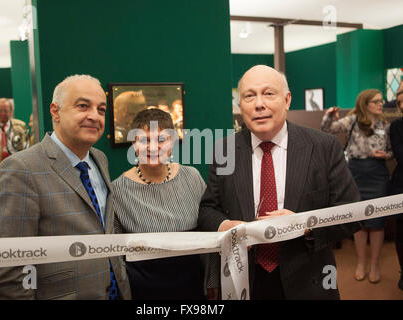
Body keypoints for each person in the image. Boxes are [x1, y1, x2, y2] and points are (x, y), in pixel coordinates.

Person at [198, 65, 361, 300]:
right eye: (249, 96)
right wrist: (224, 225)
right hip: (246, 279)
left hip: (309, 279)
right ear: (240, 105)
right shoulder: (225, 150)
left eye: (268, 93)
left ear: (287, 100)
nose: (259, 104)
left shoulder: (324, 147)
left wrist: (303, 224)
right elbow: (207, 209)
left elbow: (350, 213)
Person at [0, 75, 131, 300]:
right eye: (83, 106)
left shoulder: (99, 160)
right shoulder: (20, 169)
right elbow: (7, 269)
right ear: (55, 111)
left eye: (101, 109)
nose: (94, 116)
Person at [112, 108, 217, 300]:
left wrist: (211, 279)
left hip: (192, 287)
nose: (153, 148)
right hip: (142, 292)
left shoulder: (192, 177)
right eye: (144, 140)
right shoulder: (117, 190)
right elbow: (115, 255)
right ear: (134, 143)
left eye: (161, 139)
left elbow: (208, 232)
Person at [321, 88, 392, 284]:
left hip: (378, 174)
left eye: (381, 101)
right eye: (376, 101)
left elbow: (391, 151)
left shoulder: (384, 125)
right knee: (359, 222)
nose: (381, 104)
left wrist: (385, 155)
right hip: (355, 173)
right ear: (365, 103)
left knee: (377, 223)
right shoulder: (352, 121)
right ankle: (361, 263)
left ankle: (374, 265)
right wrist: (328, 115)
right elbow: (327, 130)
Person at [390, 88, 403, 290]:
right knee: (401, 234)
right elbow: (401, 156)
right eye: (399, 103)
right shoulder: (396, 127)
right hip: (401, 186)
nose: (402, 106)